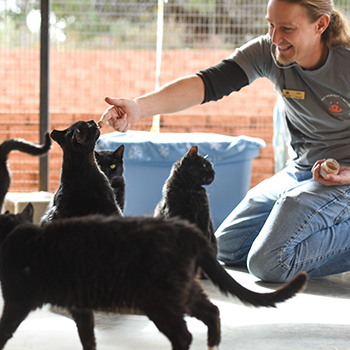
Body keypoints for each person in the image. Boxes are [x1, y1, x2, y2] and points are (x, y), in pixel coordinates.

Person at [99, 0, 350, 283]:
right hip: (301, 169)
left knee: (268, 263)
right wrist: (139, 108)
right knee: (226, 247)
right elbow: (208, 83)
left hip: (346, 178)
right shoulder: (270, 51)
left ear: (320, 25)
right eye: (271, 25)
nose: (275, 38)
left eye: (287, 28)